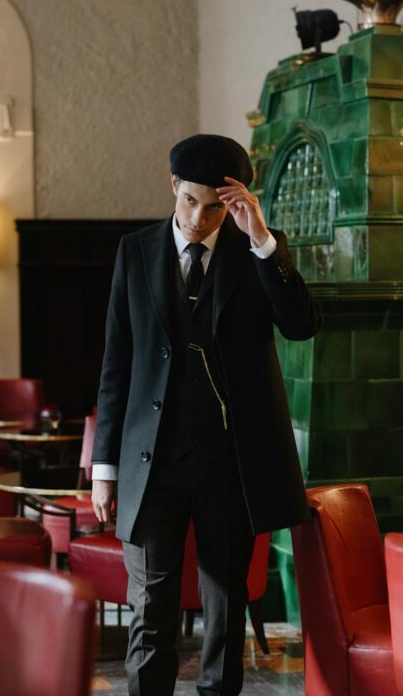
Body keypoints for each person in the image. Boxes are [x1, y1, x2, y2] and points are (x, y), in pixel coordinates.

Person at [91, 134, 321, 695]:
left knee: (224, 613)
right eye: (191, 200)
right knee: (151, 610)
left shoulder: (258, 250)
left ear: (236, 202)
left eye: (216, 205)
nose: (199, 216)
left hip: (230, 463)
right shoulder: (135, 251)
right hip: (153, 463)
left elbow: (301, 324)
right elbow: (117, 363)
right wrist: (105, 468)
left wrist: (263, 239)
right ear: (174, 186)